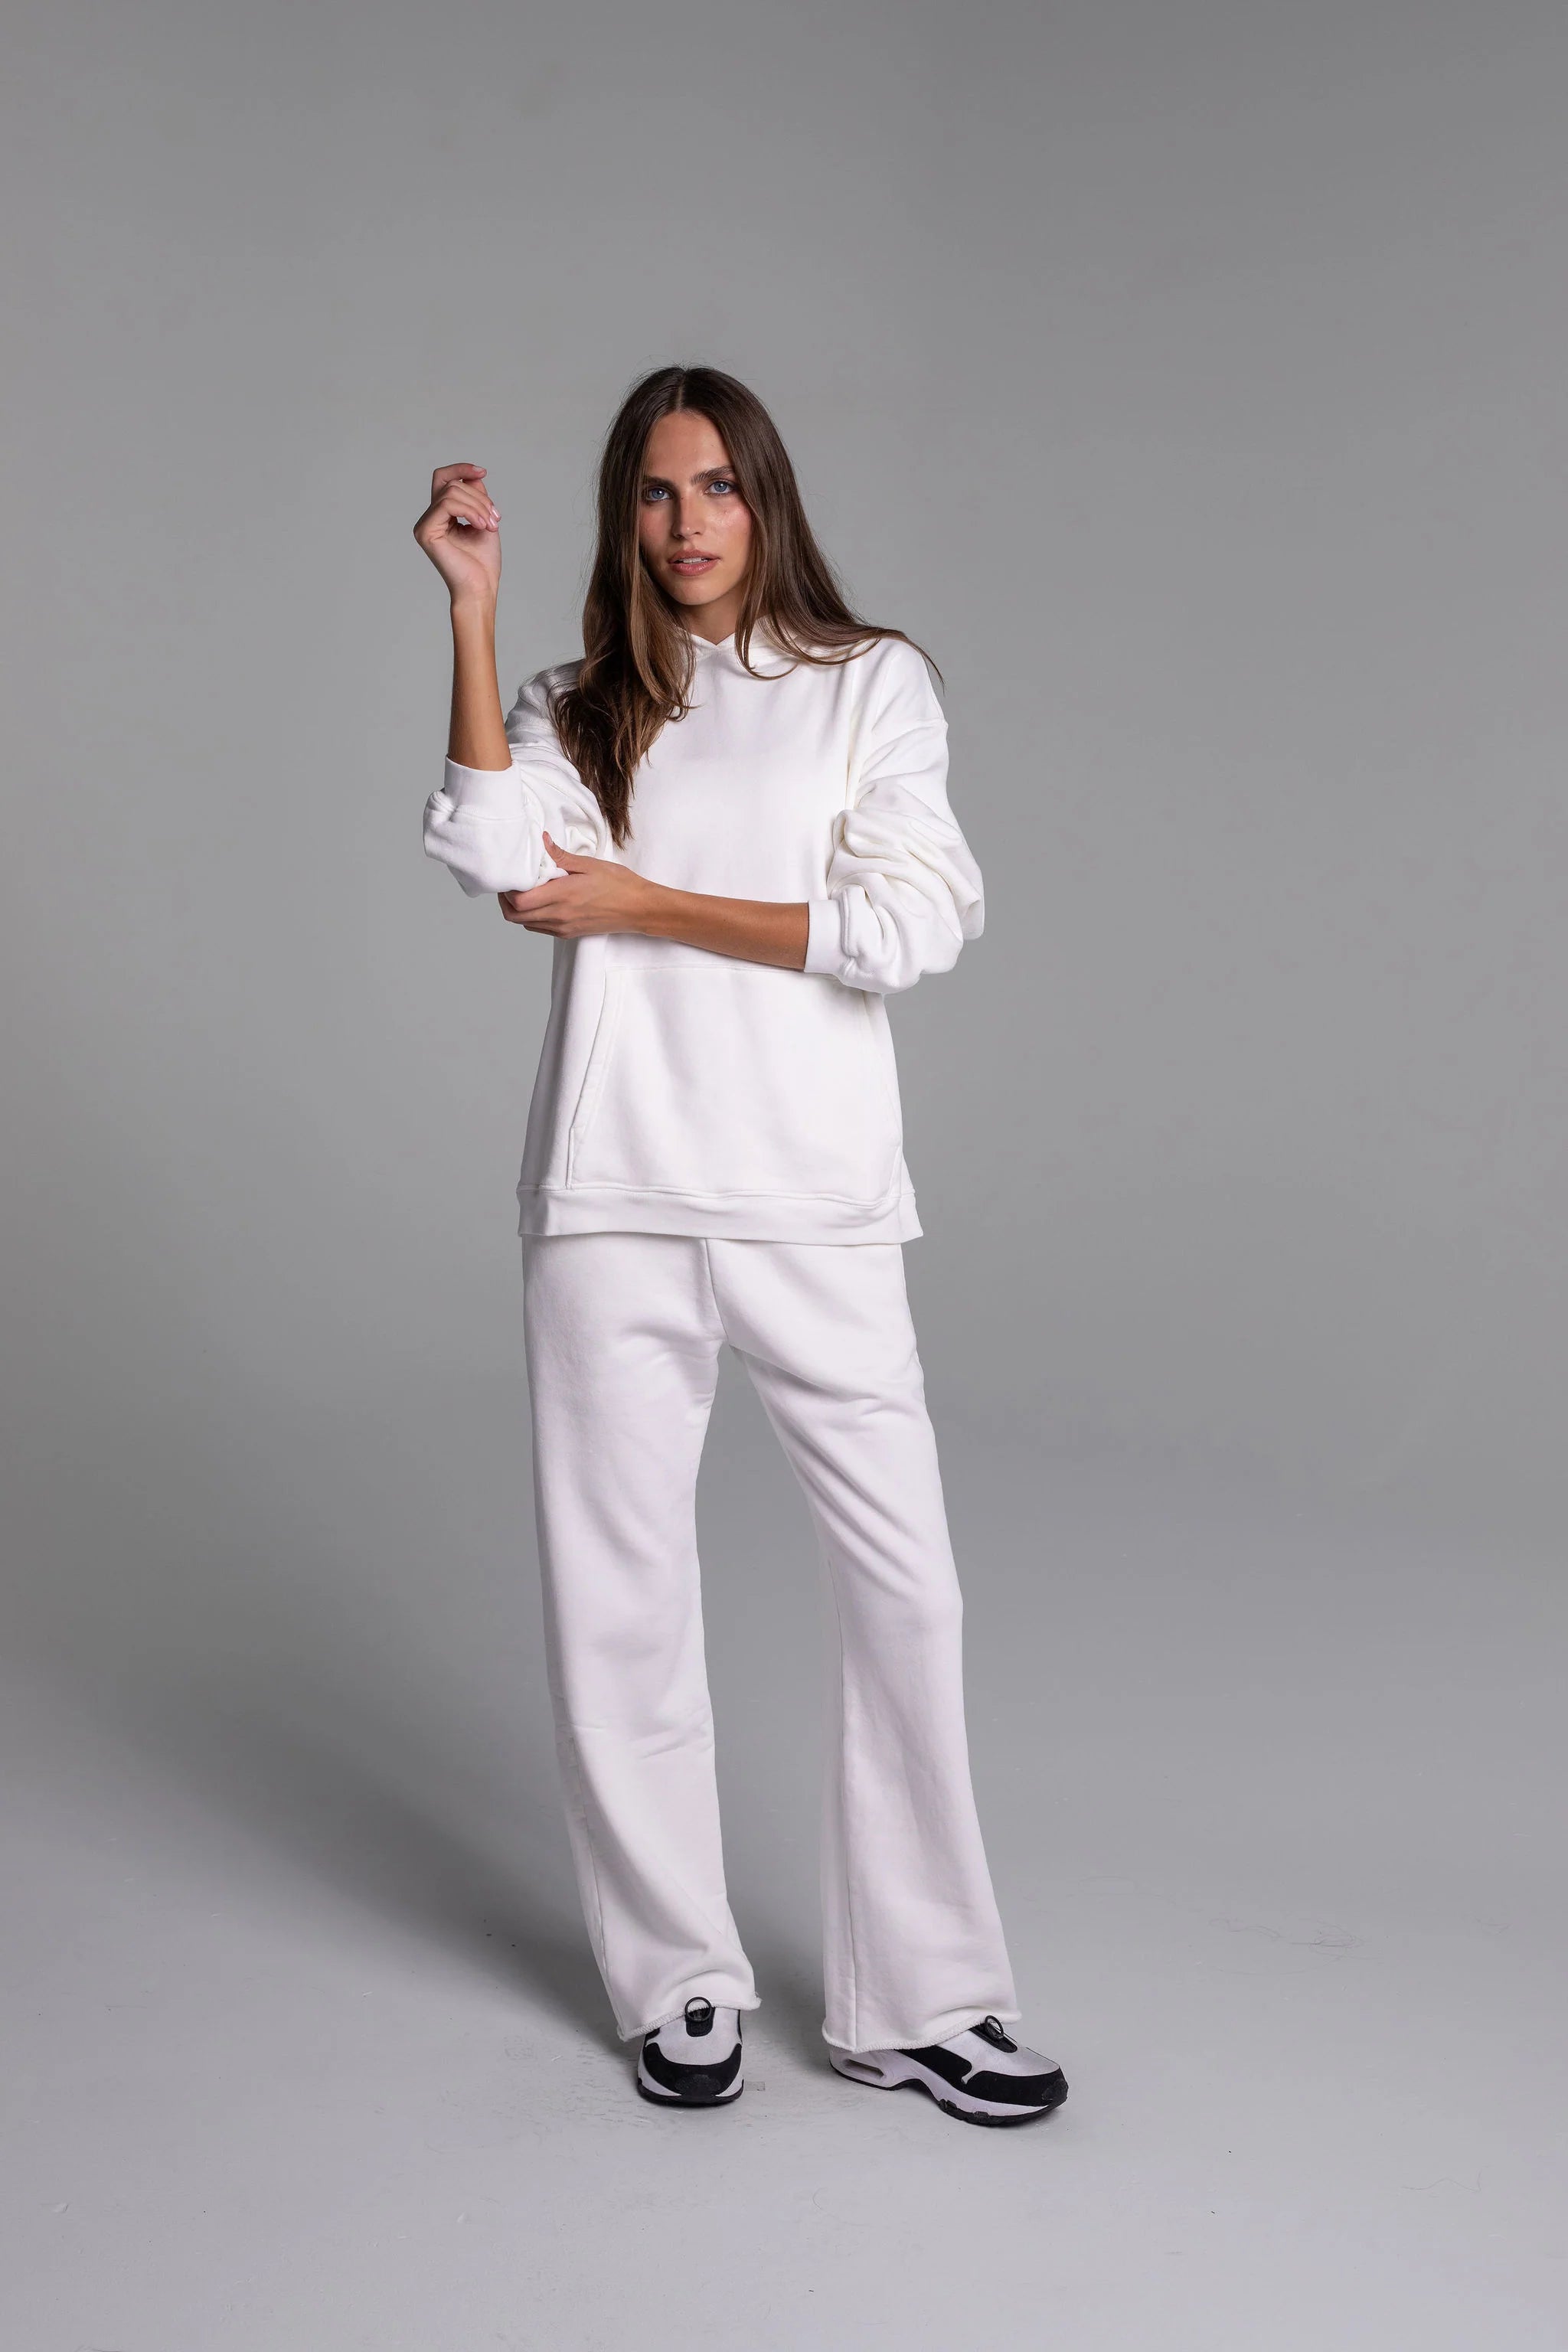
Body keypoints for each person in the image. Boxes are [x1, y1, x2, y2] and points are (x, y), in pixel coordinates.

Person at [412, 364, 1068, 2128]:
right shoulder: (582, 702)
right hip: (611, 1196)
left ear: (765, 497)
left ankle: (922, 2001)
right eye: (652, 491)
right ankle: (676, 1981)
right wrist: (470, 613)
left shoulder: (868, 682)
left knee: (906, 1592)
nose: (687, 522)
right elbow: (491, 851)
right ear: (621, 514)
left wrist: (646, 902)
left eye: (715, 486)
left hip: (812, 1202)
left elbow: (908, 922)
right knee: (619, 1600)